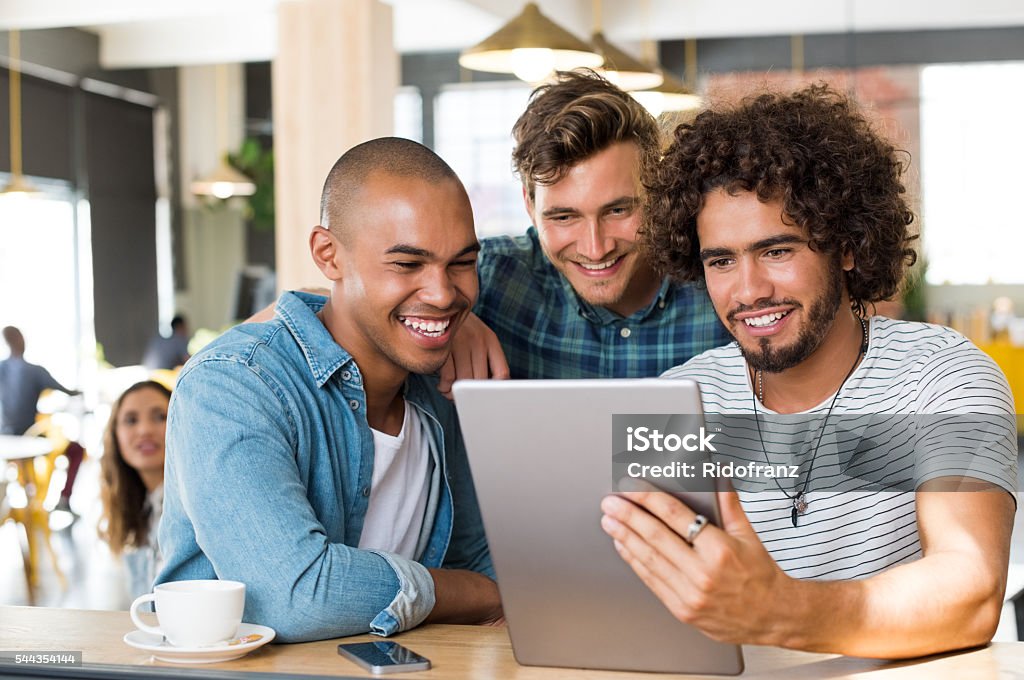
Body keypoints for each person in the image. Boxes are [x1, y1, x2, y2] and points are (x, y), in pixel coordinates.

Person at [599, 85, 1017, 658]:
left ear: (845, 246)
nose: (748, 291)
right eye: (721, 260)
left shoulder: (943, 377)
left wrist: (780, 611)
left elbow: (970, 590)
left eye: (777, 251)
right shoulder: (678, 400)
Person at [157, 137, 501, 643]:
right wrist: (472, 595)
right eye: (407, 265)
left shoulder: (440, 385)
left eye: (461, 263)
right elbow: (296, 598)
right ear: (327, 254)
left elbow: (485, 562)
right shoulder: (232, 384)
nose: (443, 293)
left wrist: (489, 588)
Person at [438, 70, 729, 388]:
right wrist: (449, 319)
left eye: (618, 210)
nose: (596, 248)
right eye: (564, 217)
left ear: (655, 192)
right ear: (529, 206)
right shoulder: (488, 280)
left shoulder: (718, 281)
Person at [99, 380, 171, 600]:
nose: (145, 430)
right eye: (131, 420)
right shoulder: (135, 508)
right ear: (115, 435)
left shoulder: (196, 510)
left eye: (160, 416)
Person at [0, 326, 81, 435]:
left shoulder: (36, 371)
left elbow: (65, 390)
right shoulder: (4, 368)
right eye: (19, 337)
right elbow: (67, 391)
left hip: (27, 432)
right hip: (10, 432)